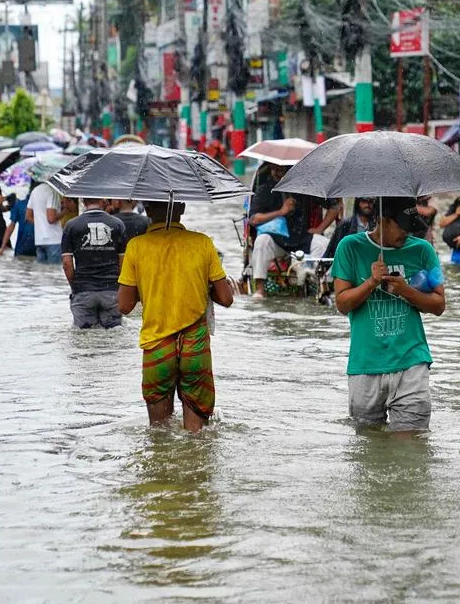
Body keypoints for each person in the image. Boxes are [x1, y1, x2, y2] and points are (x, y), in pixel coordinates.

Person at [331, 196, 446, 434]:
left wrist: (406, 291)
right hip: (365, 364)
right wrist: (371, 282)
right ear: (383, 220)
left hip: (411, 361)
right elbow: (342, 304)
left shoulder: (422, 250)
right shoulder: (349, 247)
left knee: (411, 448)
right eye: (401, 225)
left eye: (410, 226)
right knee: (369, 448)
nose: (407, 233)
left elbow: (438, 305)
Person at [117, 200, 235, 430]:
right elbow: (226, 298)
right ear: (181, 208)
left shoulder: (136, 246)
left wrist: (148, 286)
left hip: (157, 348)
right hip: (195, 347)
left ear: (147, 210)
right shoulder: (202, 243)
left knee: (159, 433)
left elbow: (124, 305)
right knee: (197, 435)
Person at [248, 163, 333, 297]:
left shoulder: (303, 189)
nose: (277, 173)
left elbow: (335, 207)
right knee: (261, 241)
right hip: (276, 240)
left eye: (282, 170)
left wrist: (320, 228)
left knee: (325, 244)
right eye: (274, 169)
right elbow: (253, 219)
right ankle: (260, 289)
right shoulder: (265, 190)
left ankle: (321, 284)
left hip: (302, 238)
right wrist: (281, 211)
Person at [62, 199, 128, 329]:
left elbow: (66, 263)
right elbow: (123, 262)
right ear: (104, 202)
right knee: (114, 335)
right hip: (111, 290)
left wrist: (76, 286)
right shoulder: (117, 224)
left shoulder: (71, 225)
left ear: (83, 202)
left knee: (84, 337)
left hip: (83, 290)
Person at [26, 181, 64, 264]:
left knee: (42, 274)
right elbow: (51, 219)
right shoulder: (52, 191)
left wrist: (41, 225)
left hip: (39, 240)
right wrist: (66, 210)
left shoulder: (35, 190)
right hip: (53, 240)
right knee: (54, 273)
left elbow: (28, 217)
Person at [0, 183, 36, 257]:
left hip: (25, 246)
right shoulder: (19, 203)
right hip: (37, 246)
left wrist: (2, 247)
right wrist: (2, 247)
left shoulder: (19, 203)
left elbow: (11, 226)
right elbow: (11, 226)